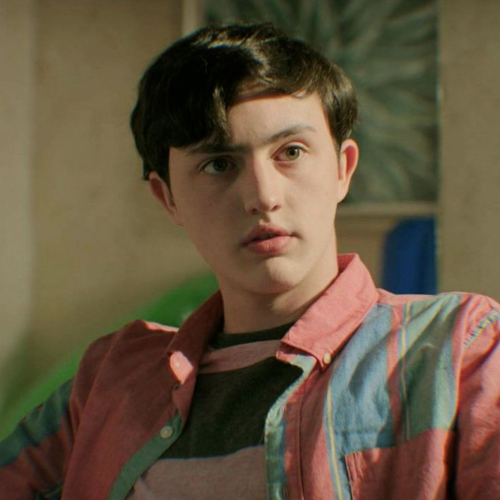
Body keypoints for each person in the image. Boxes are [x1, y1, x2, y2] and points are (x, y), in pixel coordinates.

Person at [1, 22, 499, 500]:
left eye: (291, 152)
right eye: (218, 164)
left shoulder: (461, 349)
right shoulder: (108, 381)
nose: (262, 196)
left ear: (343, 169)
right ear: (168, 198)